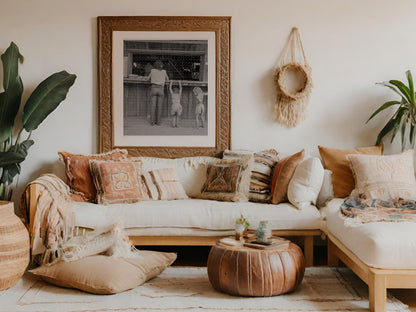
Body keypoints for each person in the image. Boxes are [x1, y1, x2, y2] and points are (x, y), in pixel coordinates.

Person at [148, 60, 169, 125]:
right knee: (160, 106)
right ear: (161, 66)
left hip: (153, 88)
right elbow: (167, 79)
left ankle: (152, 122)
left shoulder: (152, 71)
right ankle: (158, 122)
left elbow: (148, 79)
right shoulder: (164, 71)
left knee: (153, 106)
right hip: (161, 89)